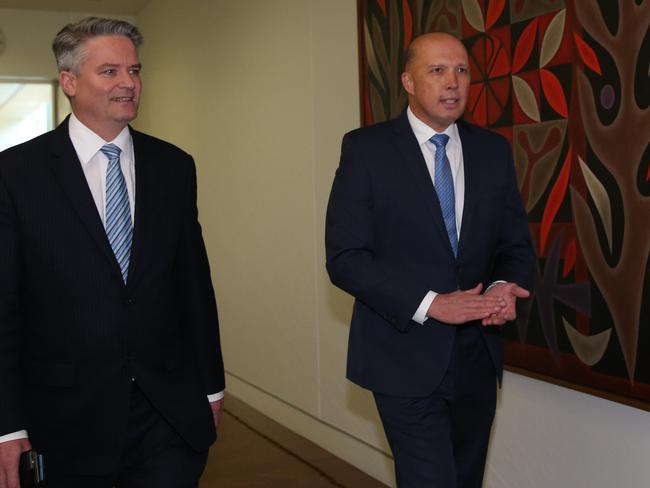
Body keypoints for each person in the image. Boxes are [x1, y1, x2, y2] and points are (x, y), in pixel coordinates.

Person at [0, 17, 225, 488]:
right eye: (109, 72)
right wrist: (8, 423)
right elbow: (5, 307)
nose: (128, 83)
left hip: (167, 412)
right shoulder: (16, 174)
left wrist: (211, 384)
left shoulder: (173, 166)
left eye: (135, 71)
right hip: (63, 418)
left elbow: (193, 285)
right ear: (69, 81)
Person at [325, 32, 535, 487]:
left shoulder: (491, 151)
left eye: (461, 70)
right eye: (437, 71)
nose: (452, 82)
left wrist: (502, 287)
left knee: (464, 480)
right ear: (407, 80)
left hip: (476, 360)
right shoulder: (366, 150)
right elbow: (345, 258)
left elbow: (514, 245)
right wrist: (430, 303)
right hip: (401, 355)